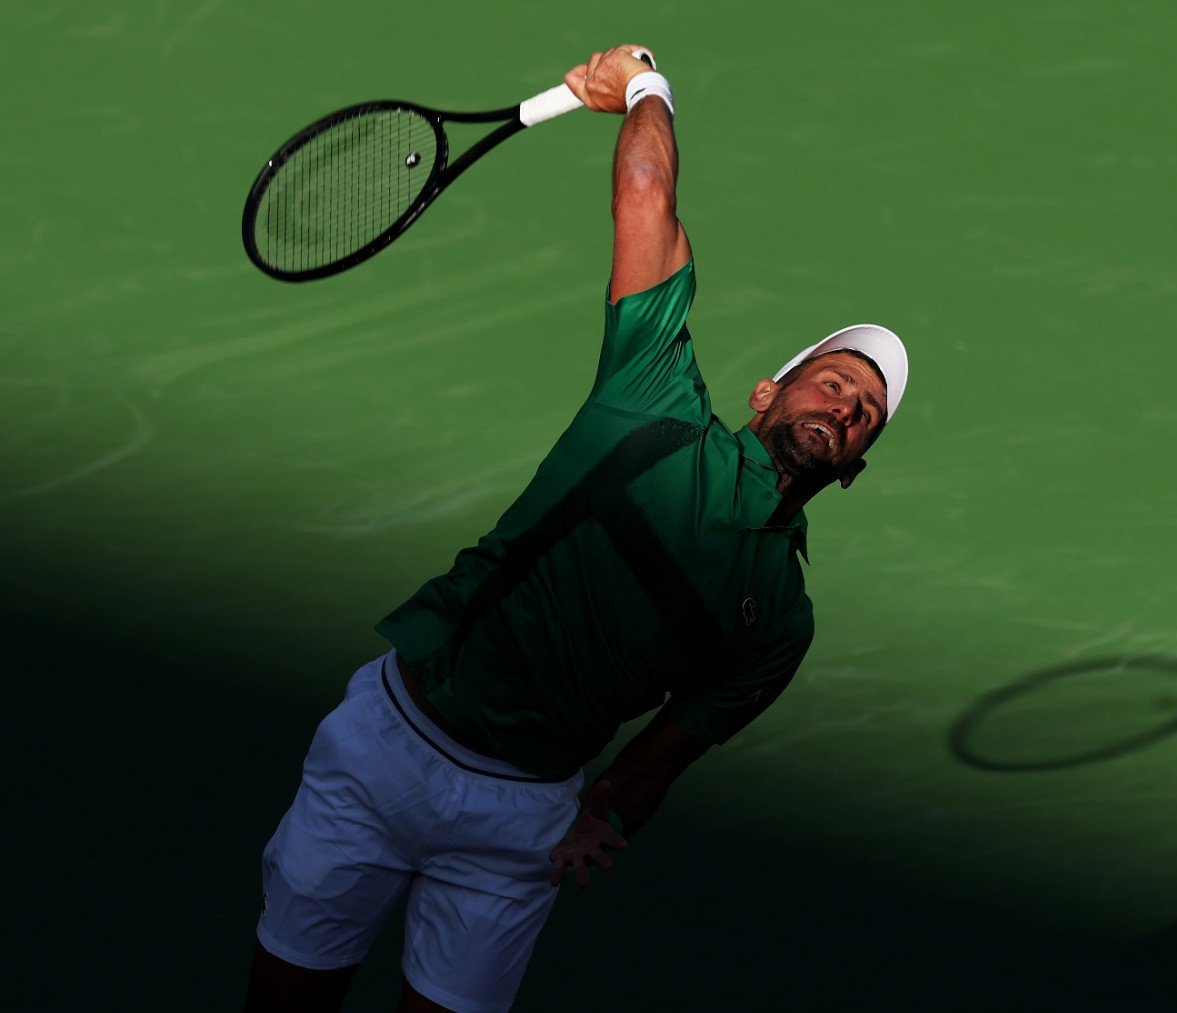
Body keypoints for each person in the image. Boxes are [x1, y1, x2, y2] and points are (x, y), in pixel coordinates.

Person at [244, 44, 910, 1013]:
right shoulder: (651, 398)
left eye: (865, 415)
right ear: (769, 392)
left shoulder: (780, 623)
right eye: (835, 379)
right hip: (391, 741)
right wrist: (646, 86)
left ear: (852, 469)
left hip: (521, 819)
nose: (847, 405)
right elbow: (645, 189)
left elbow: (664, 753)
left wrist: (611, 816)